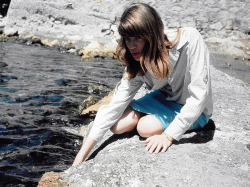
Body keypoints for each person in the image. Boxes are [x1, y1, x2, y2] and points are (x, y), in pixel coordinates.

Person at [73, 3, 213, 166]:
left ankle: (149, 118)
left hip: (194, 109)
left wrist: (168, 136)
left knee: (145, 128)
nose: (132, 46)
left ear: (151, 32)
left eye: (138, 38)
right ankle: (146, 115)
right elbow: (114, 107)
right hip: (163, 98)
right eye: (128, 39)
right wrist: (79, 159)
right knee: (117, 126)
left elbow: (199, 97)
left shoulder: (190, 40)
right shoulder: (136, 60)